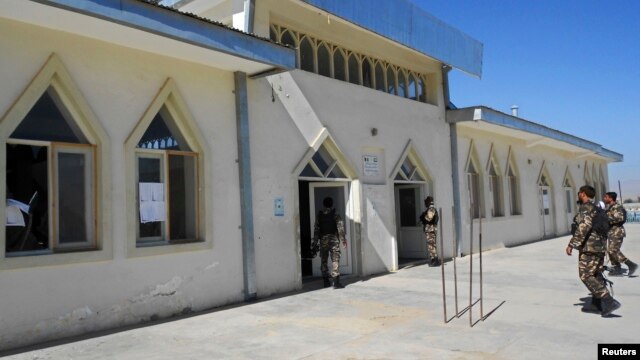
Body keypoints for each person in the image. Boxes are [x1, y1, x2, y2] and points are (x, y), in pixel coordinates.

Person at [566, 185, 620, 317]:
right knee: (596, 273)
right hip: (600, 246)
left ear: (583, 194)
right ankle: (596, 304)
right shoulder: (596, 208)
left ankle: (608, 300)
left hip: (590, 247)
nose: (579, 194)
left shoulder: (586, 208)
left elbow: (584, 227)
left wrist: (572, 244)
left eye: (579, 192)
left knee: (585, 275)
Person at [311, 197, 347, 289]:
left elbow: (316, 230)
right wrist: (343, 240)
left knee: (324, 259)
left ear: (324, 204)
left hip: (323, 239)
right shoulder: (335, 213)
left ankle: (326, 281)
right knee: (335, 258)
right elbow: (340, 228)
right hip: (333, 239)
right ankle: (335, 282)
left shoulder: (320, 215)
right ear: (331, 204)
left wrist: (315, 243)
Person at [603, 192, 637, 276]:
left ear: (611, 198)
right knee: (610, 251)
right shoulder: (610, 207)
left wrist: (606, 218)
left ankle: (631, 265)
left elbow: (620, 218)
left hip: (617, 232)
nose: (604, 198)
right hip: (611, 232)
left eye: (606, 197)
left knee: (613, 250)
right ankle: (616, 267)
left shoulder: (617, 207)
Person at [420, 196, 440, 267]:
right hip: (429, 229)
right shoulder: (430, 209)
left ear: (429, 202)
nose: (425, 203)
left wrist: (423, 216)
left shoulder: (431, 209)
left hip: (431, 229)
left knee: (431, 245)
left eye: (426, 201)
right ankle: (433, 259)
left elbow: (429, 218)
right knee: (431, 245)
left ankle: (435, 260)